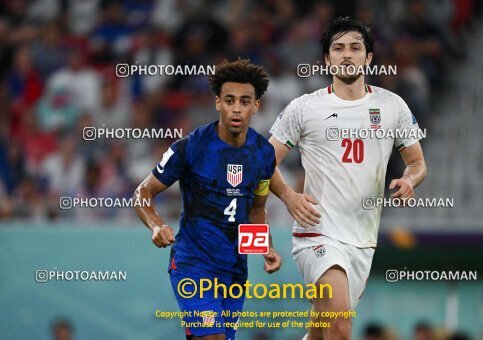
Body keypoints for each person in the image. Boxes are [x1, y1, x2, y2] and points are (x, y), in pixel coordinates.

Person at [268, 17, 427, 340]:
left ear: (368, 57)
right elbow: (263, 161)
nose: (346, 55)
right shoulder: (304, 108)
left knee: (321, 332)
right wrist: (289, 196)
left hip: (363, 238)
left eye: (355, 48)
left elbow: (417, 163)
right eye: (338, 48)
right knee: (340, 328)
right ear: (327, 59)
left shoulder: (391, 106)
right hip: (317, 232)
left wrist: (410, 180)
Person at [134, 59, 281, 340]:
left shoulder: (263, 154)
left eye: (244, 101)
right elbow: (143, 192)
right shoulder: (190, 148)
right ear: (218, 103)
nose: (236, 108)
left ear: (256, 106)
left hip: (235, 270)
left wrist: (266, 247)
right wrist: (155, 224)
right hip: (194, 263)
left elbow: (256, 211)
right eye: (229, 100)